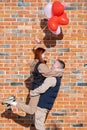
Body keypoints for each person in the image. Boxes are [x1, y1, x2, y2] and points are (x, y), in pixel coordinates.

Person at [2, 45, 63, 115]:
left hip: (34, 88)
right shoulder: (41, 66)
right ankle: (12, 102)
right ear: (40, 54)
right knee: (31, 110)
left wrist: (37, 46)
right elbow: (49, 73)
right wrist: (60, 73)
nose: (45, 56)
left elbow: (36, 54)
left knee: (31, 110)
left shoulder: (34, 63)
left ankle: (12, 101)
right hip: (36, 90)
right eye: (44, 54)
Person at [30, 59, 65, 130]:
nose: (52, 64)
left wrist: (33, 92)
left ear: (57, 67)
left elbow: (42, 89)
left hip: (42, 105)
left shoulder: (52, 78)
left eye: (54, 63)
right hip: (46, 105)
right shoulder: (58, 77)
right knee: (40, 124)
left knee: (39, 125)